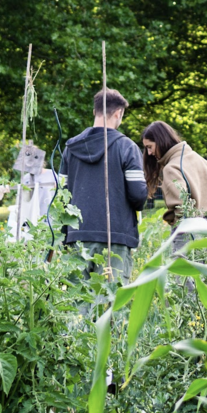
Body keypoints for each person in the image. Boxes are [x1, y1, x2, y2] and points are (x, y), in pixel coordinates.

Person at [60, 89, 147, 280]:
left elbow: (61, 195)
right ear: (118, 113)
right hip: (114, 238)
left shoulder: (70, 149)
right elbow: (138, 196)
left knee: (77, 300)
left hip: (78, 236)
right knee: (109, 302)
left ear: (95, 112)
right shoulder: (127, 147)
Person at [141, 121, 207, 227]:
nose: (149, 153)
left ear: (160, 141)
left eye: (150, 147)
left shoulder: (172, 168)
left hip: (189, 229)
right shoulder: (203, 162)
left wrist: (174, 224)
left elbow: (180, 209)